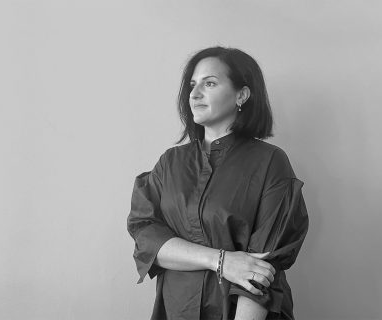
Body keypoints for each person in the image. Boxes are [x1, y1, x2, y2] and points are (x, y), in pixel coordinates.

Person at [127, 46, 309, 320]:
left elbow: (260, 271)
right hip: (177, 309)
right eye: (192, 84)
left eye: (209, 83)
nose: (194, 94)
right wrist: (222, 261)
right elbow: (148, 241)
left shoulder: (270, 162)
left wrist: (233, 267)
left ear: (241, 95)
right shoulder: (170, 163)